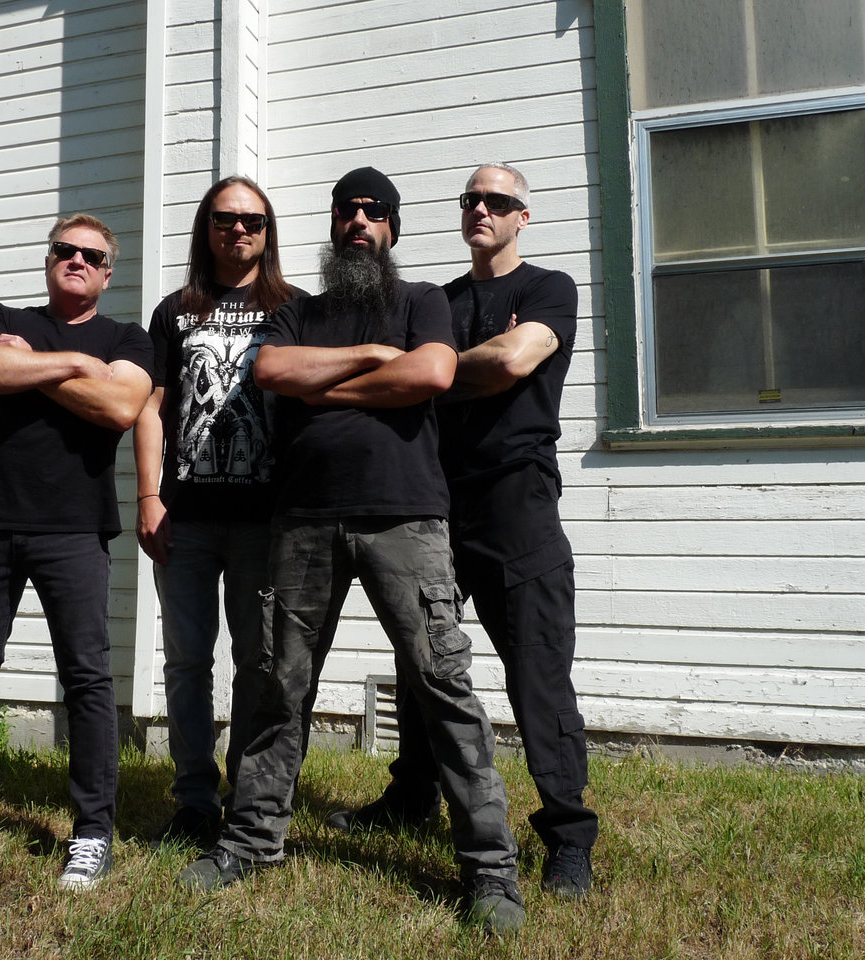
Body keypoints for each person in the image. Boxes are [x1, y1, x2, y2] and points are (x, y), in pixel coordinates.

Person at [177, 167, 526, 935]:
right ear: (334, 223)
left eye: (375, 212)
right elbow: (272, 370)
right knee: (279, 685)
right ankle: (251, 839)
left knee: (442, 684)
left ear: (392, 228)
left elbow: (433, 371)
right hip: (302, 519)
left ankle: (490, 871)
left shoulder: (422, 301)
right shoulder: (298, 311)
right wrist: (374, 355)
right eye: (348, 210)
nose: (359, 221)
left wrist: (325, 388)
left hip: (407, 516)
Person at [327, 163, 599, 898]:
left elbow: (512, 358)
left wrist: (443, 367)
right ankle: (411, 795)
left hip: (517, 502)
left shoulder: (548, 289)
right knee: (426, 664)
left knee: (537, 672)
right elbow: (412, 382)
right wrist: (436, 367)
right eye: (472, 199)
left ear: (522, 217)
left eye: (498, 200)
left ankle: (568, 834)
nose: (482, 208)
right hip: (439, 500)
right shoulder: (439, 301)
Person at [0, 214, 153, 892]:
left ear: (108, 273)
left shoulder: (127, 339)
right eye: (65, 250)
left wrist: (33, 367)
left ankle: (93, 830)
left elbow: (120, 409)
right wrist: (76, 366)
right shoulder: (1, 317)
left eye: (92, 256)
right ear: (49, 259)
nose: (77, 260)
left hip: (75, 531)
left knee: (86, 679)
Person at [134, 176, 302, 847]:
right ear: (206, 227)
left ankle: (249, 793)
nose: (238, 229)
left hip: (266, 520)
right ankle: (195, 800)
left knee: (258, 664)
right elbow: (152, 407)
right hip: (188, 517)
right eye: (224, 218)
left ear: (268, 232)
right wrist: (149, 496)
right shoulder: (175, 311)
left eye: (252, 221)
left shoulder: (293, 309)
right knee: (186, 662)